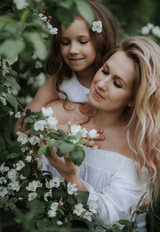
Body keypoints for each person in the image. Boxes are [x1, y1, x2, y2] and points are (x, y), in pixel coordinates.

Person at [40, 36, 160, 231]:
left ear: (132, 99)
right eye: (104, 70)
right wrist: (55, 131)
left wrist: (72, 180)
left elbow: (108, 220)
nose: (101, 84)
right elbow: (23, 142)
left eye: (117, 84)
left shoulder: (136, 152)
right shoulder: (60, 112)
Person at [14, 0, 118, 136]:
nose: (73, 50)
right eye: (65, 42)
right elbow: (19, 129)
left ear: (101, 40)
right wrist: (59, 127)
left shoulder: (112, 81)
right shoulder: (60, 81)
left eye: (83, 41)